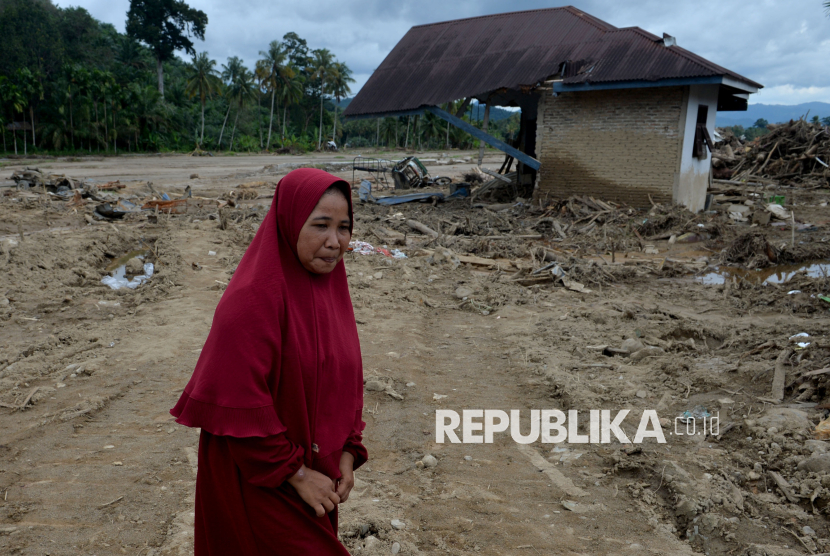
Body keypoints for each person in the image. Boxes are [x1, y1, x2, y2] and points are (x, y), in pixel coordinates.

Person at [171, 168, 368, 554]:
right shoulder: (251, 301)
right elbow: (238, 404)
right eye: (320, 225)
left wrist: (348, 451)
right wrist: (295, 474)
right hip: (258, 481)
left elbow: (343, 381)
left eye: (343, 228)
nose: (334, 242)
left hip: (312, 480)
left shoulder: (331, 294)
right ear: (289, 222)